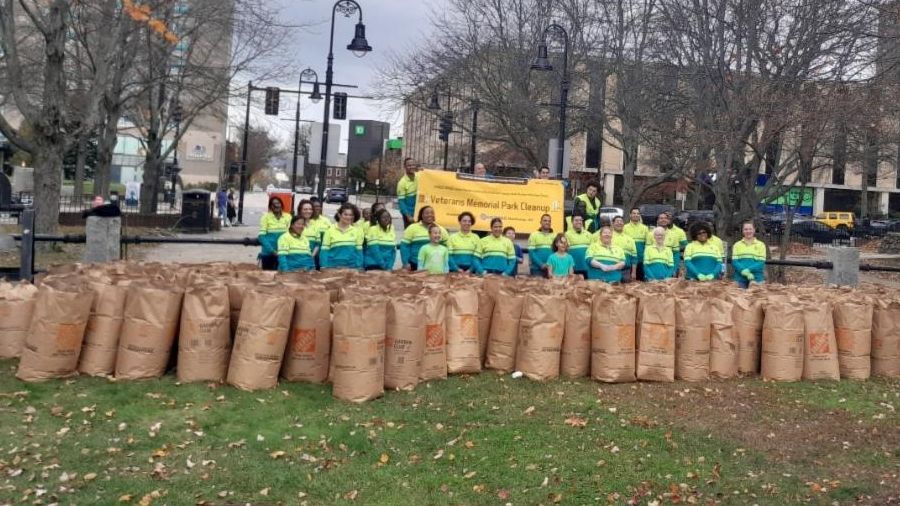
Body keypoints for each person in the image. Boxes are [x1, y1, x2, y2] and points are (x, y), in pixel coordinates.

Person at [399, 206, 449, 270]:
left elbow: (447, 247)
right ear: (421, 215)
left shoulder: (441, 229)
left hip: (436, 267)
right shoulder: (412, 228)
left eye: (432, 213)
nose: (430, 215)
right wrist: (405, 263)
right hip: (415, 265)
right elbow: (404, 246)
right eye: (427, 213)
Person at [320, 203, 364, 270]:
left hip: (351, 267)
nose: (348, 217)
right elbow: (324, 251)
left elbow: (359, 252)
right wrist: (323, 266)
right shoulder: (329, 230)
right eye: (345, 214)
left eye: (351, 215)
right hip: (333, 267)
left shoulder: (357, 231)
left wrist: (359, 267)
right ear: (339, 215)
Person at [258, 196, 291, 270]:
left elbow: (290, 235)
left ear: (281, 205)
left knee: (284, 276)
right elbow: (261, 237)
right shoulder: (265, 217)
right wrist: (272, 251)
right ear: (270, 207)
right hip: (268, 253)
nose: (276, 205)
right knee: (268, 277)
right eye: (273, 204)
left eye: (278, 203)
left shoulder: (288, 217)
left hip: (284, 252)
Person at [731, 221, 767, 288]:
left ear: (754, 230)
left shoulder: (761, 245)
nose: (748, 231)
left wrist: (748, 270)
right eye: (746, 229)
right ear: (742, 231)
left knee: (757, 297)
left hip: (757, 278)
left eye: (750, 229)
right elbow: (735, 262)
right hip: (739, 278)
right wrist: (743, 271)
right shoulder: (737, 245)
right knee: (738, 297)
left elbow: (761, 262)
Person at [608, 215, 638, 282]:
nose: (619, 223)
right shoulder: (608, 237)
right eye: (617, 221)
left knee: (626, 291)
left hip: (626, 271)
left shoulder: (630, 239)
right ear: (612, 224)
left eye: (621, 221)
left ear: (623, 224)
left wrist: (633, 272)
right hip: (611, 270)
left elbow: (634, 258)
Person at [623, 208, 649, 279]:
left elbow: (647, 245)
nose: (636, 215)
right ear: (630, 215)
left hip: (641, 260)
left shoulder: (645, 228)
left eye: (638, 213)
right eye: (634, 213)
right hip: (628, 260)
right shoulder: (624, 228)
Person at [396, 157, 419, 228]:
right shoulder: (402, 183)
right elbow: (401, 202)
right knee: (409, 235)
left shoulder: (419, 176)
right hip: (409, 214)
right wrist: (408, 216)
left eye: (413, 165)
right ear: (405, 167)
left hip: (419, 212)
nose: (411, 167)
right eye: (409, 165)